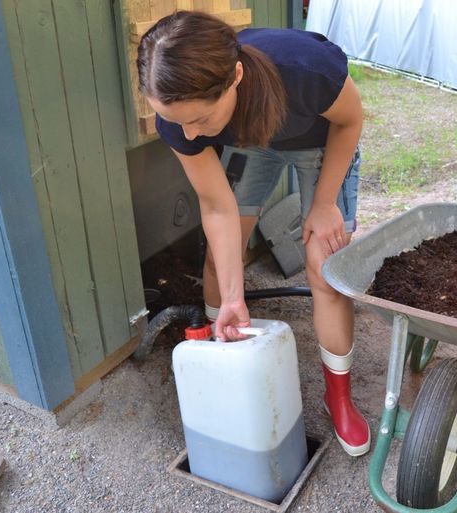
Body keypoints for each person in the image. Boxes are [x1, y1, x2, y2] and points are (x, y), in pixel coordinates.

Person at [137, 10, 369, 457]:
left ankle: (338, 396)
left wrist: (323, 206)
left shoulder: (305, 68)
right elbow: (217, 206)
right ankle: (218, 354)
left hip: (320, 140)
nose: (188, 134)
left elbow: (350, 121)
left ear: (236, 76)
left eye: (199, 118)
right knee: (218, 258)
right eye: (175, 121)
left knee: (325, 264)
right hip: (252, 142)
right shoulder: (178, 117)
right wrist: (232, 296)